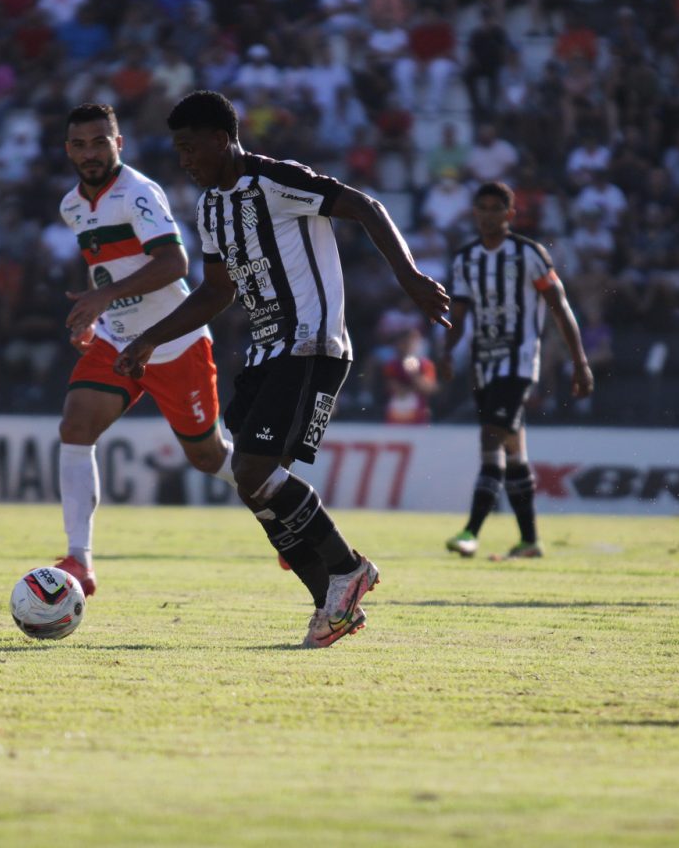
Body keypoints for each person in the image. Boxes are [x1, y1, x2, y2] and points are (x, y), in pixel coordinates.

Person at [115, 91, 451, 648]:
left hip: (311, 346)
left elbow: (365, 206)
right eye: (178, 149)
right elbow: (215, 292)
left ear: (221, 140)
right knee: (254, 487)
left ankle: (349, 570)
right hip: (265, 353)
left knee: (251, 472)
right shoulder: (211, 209)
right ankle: (332, 605)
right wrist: (149, 338)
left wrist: (410, 278)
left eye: (190, 147)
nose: (184, 160)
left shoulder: (277, 182)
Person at [53, 103, 237, 596]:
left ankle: (285, 510)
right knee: (75, 425)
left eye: (99, 141)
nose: (90, 152)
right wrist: (95, 314)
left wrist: (101, 297)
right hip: (117, 338)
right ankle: (79, 561)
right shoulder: (72, 205)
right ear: (67, 149)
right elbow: (106, 270)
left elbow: (175, 262)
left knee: (208, 456)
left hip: (174, 340)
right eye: (79, 144)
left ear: (119, 144)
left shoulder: (137, 193)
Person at [437, 182, 594, 561]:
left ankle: (471, 531)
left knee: (491, 440)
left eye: (496, 208)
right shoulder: (465, 260)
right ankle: (529, 541)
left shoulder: (530, 255)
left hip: (519, 361)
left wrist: (580, 361)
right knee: (512, 447)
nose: (488, 214)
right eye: (482, 208)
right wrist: (445, 353)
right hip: (482, 363)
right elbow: (457, 316)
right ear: (474, 212)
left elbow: (560, 308)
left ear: (510, 214)